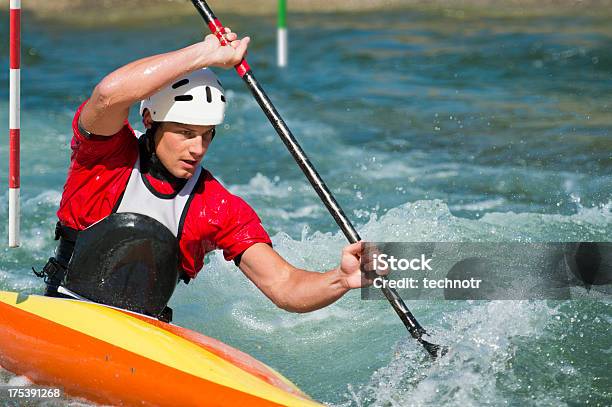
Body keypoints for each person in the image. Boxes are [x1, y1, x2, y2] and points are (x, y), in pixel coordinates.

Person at [35, 28, 368, 322]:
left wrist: (340, 279)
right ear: (150, 121)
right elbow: (108, 95)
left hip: (140, 336)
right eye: (185, 132)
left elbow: (283, 285)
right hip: (66, 312)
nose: (198, 147)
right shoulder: (105, 158)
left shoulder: (217, 206)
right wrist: (206, 53)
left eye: (207, 134)